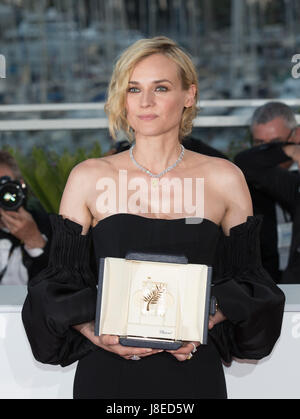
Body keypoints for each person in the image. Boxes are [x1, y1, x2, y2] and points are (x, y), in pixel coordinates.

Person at [22, 37, 285, 399]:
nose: (145, 102)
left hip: (194, 372)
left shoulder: (225, 178)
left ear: (189, 95)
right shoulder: (89, 177)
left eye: (160, 88)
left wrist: (206, 321)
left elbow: (250, 281)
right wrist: (93, 332)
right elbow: (58, 284)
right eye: (134, 89)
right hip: (108, 373)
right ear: (122, 97)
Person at [234, 102, 300, 282]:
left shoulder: (293, 181)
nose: (270, 153)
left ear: (297, 135)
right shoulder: (250, 180)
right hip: (265, 283)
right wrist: (287, 150)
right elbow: (244, 161)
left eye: (276, 144)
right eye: (260, 145)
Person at [0, 151, 51, 285]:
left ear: (20, 189)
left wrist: (34, 239)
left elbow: (59, 285)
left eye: (6, 188)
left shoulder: (46, 225)